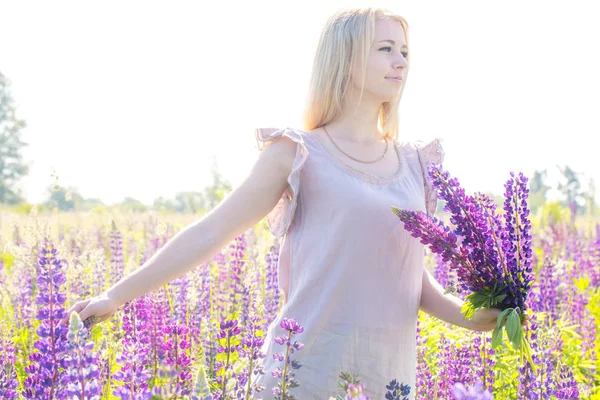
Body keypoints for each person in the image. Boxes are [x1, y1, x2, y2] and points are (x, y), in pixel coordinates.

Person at [60, 7, 501, 399]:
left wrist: (477, 318)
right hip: (302, 373)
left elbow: (411, 278)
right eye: (385, 48)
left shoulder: (413, 164)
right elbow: (212, 231)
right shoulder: (297, 152)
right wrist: (116, 295)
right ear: (344, 58)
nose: (401, 61)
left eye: (405, 51)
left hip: (388, 378)